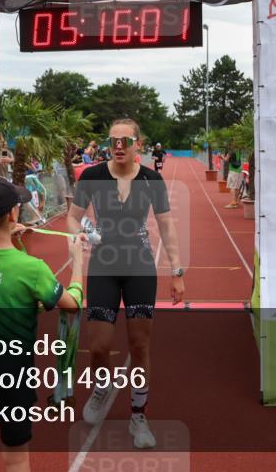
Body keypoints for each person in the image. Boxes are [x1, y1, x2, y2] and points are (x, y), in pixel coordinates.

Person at [0, 176, 84, 472]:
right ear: (13, 214)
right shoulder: (33, 269)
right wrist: (78, 264)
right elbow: (71, 304)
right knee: (16, 455)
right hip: (13, 374)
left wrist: (11, 237)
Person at [66, 118, 184, 449]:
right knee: (100, 345)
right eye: (113, 140)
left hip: (139, 266)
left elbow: (166, 225)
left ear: (138, 145)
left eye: (125, 140)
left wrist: (177, 271)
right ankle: (102, 387)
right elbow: (73, 216)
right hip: (104, 265)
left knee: (139, 344)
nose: (118, 146)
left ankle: (138, 415)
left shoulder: (151, 179)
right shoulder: (91, 176)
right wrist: (89, 231)